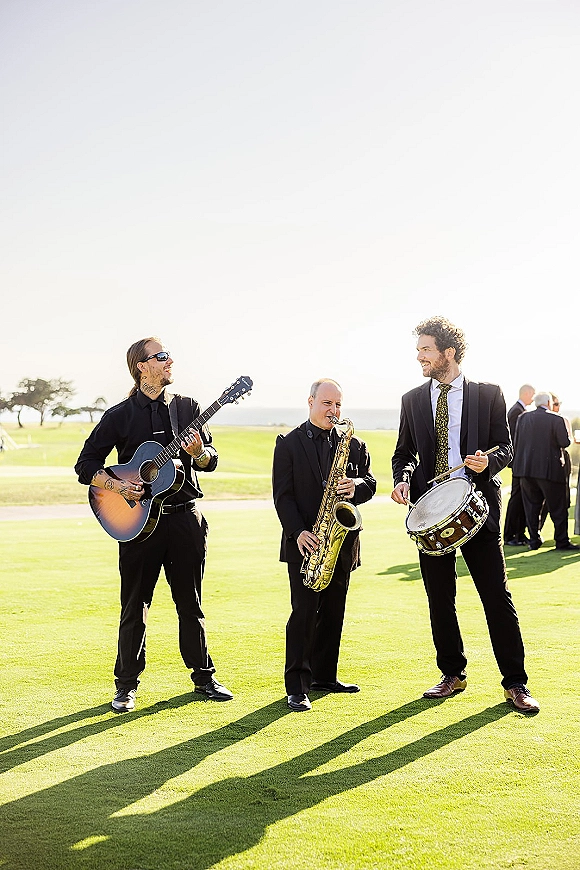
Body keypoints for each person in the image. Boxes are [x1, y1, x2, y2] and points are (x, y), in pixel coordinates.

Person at [75, 337, 233, 712]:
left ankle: (203, 677)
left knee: (190, 604)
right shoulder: (119, 416)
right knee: (134, 605)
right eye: (161, 357)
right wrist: (117, 484)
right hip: (138, 522)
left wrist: (199, 454)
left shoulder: (187, 409)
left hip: (184, 520)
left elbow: (210, 460)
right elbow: (85, 467)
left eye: (168, 355)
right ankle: (126, 686)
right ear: (141, 367)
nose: (169, 361)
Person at [391, 316, 539, 713]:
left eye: (425, 349)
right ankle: (452, 674)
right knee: (440, 598)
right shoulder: (411, 399)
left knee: (495, 595)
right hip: (429, 513)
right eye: (419, 349)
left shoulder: (488, 394)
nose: (419, 356)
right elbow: (404, 454)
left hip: (477, 508)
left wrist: (484, 462)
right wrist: (402, 480)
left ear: (448, 352)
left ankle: (516, 683)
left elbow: (504, 450)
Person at [272, 379, 376, 712]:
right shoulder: (288, 443)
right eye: (327, 403)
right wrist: (298, 531)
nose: (334, 410)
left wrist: (355, 485)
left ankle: (325, 677)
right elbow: (282, 496)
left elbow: (371, 484)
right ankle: (297, 686)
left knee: (334, 611)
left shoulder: (354, 444)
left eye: (338, 405)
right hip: (306, 541)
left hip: (341, 542)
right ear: (311, 402)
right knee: (303, 614)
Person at [513, 392, 579, 552]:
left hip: (526, 471)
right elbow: (564, 442)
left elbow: (517, 442)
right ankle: (561, 541)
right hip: (550, 471)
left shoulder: (523, 418)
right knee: (558, 507)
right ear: (549, 402)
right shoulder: (556, 419)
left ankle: (534, 541)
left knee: (532, 508)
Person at [503, 384, 535, 546]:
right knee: (516, 499)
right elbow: (515, 440)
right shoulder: (516, 412)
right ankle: (510, 536)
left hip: (522, 463)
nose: (534, 398)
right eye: (532, 394)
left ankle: (519, 534)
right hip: (518, 463)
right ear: (527, 393)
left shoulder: (519, 411)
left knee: (522, 498)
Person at [538, 394, 572, 531]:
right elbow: (565, 441)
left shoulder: (562, 419)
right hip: (552, 464)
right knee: (554, 500)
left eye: (558, 404)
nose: (556, 406)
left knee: (560, 498)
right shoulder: (558, 419)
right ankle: (560, 538)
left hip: (559, 460)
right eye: (555, 404)